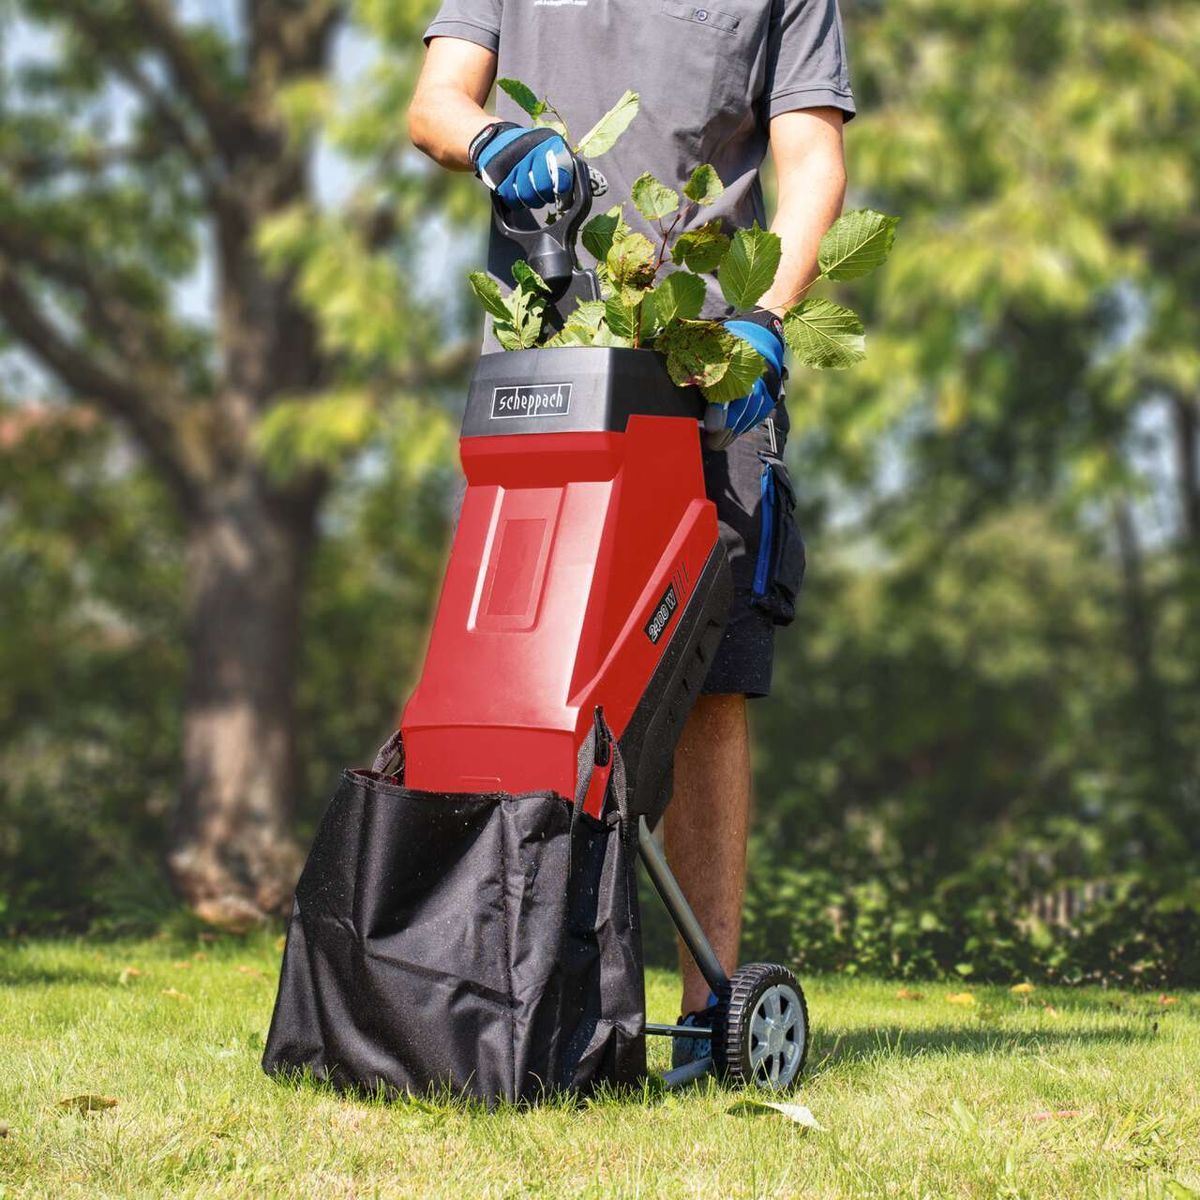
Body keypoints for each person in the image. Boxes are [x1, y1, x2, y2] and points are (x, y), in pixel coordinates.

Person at [408, 0, 854, 1062]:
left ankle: (709, 1014)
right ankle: (495, 985)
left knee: (710, 675)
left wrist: (768, 314)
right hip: (545, 362)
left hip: (708, 362)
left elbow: (812, 163)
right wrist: (493, 139)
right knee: (516, 669)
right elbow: (435, 102)